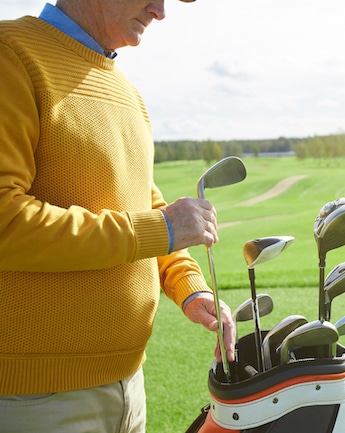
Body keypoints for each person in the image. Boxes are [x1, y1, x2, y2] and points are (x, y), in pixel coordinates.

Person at [0, 1, 236, 431]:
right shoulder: (10, 54)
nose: (160, 11)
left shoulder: (126, 90)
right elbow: (5, 221)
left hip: (129, 384)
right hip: (33, 399)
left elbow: (144, 205)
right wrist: (162, 228)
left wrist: (188, 287)